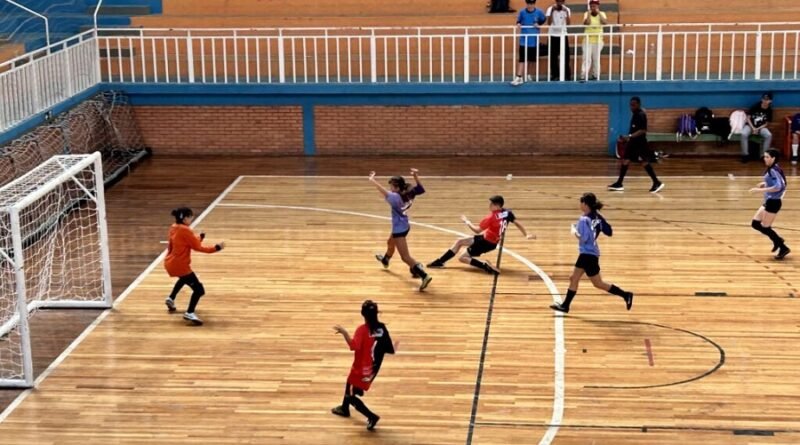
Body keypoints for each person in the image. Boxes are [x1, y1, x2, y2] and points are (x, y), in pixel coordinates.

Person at [549, 193, 634, 313]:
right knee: (596, 283)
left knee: (576, 279)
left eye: (581, 202)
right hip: (593, 254)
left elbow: (583, 239)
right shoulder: (597, 217)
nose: (580, 205)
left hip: (586, 254)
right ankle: (626, 295)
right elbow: (609, 232)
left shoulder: (584, 219)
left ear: (585, 204)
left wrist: (574, 231)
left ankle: (565, 306)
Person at [331, 300, 398, 430]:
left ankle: (371, 416)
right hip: (372, 370)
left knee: (350, 395)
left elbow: (353, 346)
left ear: (363, 314)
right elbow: (390, 349)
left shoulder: (361, 330)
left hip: (360, 369)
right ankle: (344, 408)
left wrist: (344, 333)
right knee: (349, 384)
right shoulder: (382, 328)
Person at [427, 195, 534, 274]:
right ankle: (440, 262)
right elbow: (517, 223)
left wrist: (467, 221)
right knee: (460, 241)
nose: (489, 205)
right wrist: (526, 234)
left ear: (497, 206)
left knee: (462, 258)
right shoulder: (507, 212)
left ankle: (485, 266)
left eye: (492, 204)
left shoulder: (490, 218)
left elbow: (477, 230)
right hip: (489, 239)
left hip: (486, 242)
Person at [370, 170, 433, 291]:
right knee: (390, 242)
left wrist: (372, 180)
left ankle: (424, 275)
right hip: (404, 224)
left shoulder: (395, 198)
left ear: (397, 187)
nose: (390, 188)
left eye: (392, 187)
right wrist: (415, 176)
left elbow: (384, 192)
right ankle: (386, 259)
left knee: (405, 257)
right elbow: (421, 188)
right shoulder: (409, 193)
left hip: (399, 229)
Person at [163, 207, 225, 325]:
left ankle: (171, 298)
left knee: (183, 278)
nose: (192, 219)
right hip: (180, 265)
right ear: (185, 218)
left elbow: (187, 242)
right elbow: (198, 248)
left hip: (170, 262)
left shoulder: (174, 227)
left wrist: (199, 238)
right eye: (191, 217)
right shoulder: (186, 230)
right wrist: (216, 248)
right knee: (199, 290)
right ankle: (190, 312)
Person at [608, 96, 665, 193]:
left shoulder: (641, 115)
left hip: (640, 143)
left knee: (644, 162)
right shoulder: (635, 114)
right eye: (630, 105)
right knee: (625, 160)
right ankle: (619, 183)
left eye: (633, 105)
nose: (631, 107)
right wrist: (627, 138)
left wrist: (629, 136)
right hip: (632, 142)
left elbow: (643, 130)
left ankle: (657, 182)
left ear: (638, 104)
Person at [749, 149, 790, 260]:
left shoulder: (774, 170)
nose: (765, 159)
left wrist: (760, 190)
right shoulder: (773, 168)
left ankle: (783, 247)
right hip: (769, 201)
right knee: (755, 224)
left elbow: (779, 186)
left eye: (767, 157)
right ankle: (777, 240)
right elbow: (779, 182)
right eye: (765, 156)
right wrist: (765, 183)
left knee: (766, 227)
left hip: (774, 202)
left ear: (773, 158)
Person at [511, 0, 546, 86]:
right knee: (522, 59)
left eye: (532, 4)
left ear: (534, 4)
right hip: (524, 40)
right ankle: (519, 77)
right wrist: (518, 24)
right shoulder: (522, 12)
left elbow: (543, 19)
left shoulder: (539, 12)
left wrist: (538, 24)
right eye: (528, 4)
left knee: (532, 60)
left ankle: (528, 75)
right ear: (526, 4)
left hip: (534, 40)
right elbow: (518, 21)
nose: (530, 5)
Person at [741, 93, 774, 163]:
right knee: (743, 134)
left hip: (761, 127)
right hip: (750, 126)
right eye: (764, 99)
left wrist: (757, 129)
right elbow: (748, 118)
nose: (765, 101)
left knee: (769, 135)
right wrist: (753, 128)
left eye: (767, 100)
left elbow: (766, 123)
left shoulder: (769, 110)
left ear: (770, 101)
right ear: (762, 99)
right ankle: (745, 155)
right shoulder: (755, 106)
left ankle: (764, 156)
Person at [581, 0, 606, 82]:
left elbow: (604, 22)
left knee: (596, 58)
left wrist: (598, 13)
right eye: (591, 6)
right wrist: (588, 14)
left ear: (598, 6)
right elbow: (587, 23)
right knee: (586, 58)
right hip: (587, 39)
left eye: (594, 6)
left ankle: (596, 75)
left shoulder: (602, 14)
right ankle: (584, 75)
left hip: (598, 40)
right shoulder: (586, 14)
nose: (593, 8)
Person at [546, 0, 572, 81]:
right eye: (558, 1)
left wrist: (566, 13)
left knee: (566, 56)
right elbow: (549, 23)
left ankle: (566, 75)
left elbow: (568, 23)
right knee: (553, 57)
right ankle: (554, 75)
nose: (560, 3)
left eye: (561, 1)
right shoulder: (550, 9)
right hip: (553, 35)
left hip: (563, 34)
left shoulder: (567, 9)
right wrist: (552, 11)